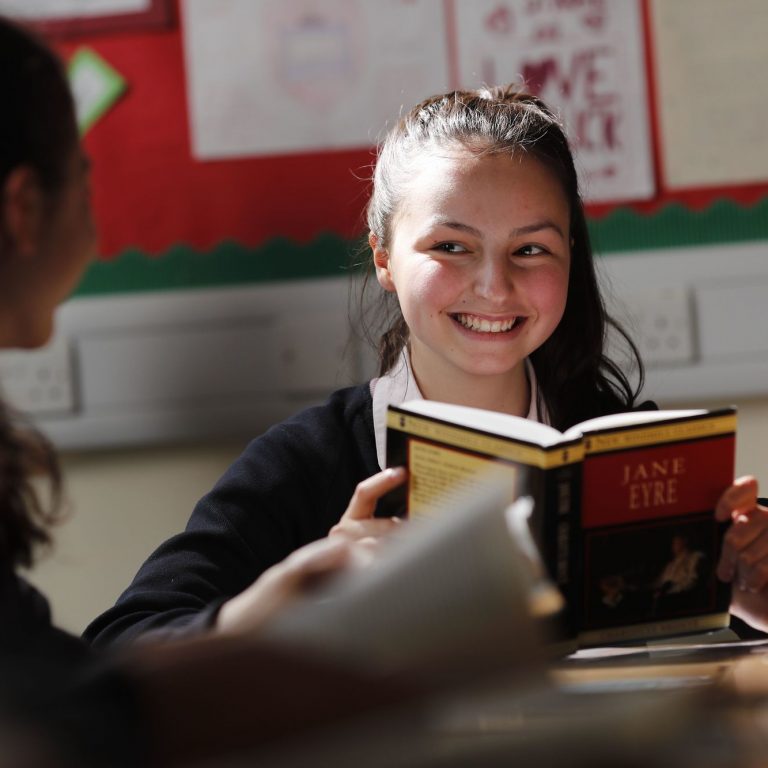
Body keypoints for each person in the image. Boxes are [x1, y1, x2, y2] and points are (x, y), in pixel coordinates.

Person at [84, 81, 768, 646]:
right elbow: (120, 648)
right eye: (450, 246)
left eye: (531, 250)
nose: (494, 288)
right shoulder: (309, 464)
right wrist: (301, 597)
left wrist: (756, 599)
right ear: (384, 257)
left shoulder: (638, 453)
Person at [0, 17, 411, 767]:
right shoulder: (314, 448)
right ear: (23, 210)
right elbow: (63, 716)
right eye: (86, 178)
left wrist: (263, 612)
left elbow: (63, 689)